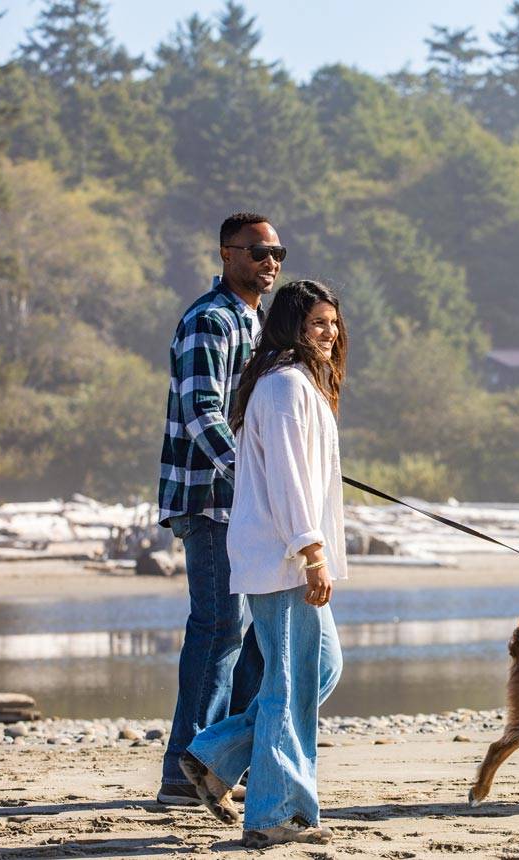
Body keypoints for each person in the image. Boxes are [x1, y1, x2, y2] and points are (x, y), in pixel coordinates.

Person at [179, 280, 348, 849]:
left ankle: (214, 755)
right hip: (282, 558)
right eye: (317, 323)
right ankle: (276, 813)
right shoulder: (282, 388)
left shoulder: (299, 385)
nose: (328, 332)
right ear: (290, 326)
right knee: (289, 680)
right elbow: (287, 481)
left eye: (332, 322)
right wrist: (312, 552)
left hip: (288, 555)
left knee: (319, 670)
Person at [156, 212, 287, 805]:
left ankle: (218, 764)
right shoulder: (211, 320)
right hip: (210, 500)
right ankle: (184, 771)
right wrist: (252, 474)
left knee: (254, 633)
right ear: (226, 254)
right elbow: (202, 412)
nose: (270, 262)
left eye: (277, 252)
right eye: (258, 251)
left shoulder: (254, 323)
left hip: (246, 502)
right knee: (217, 629)